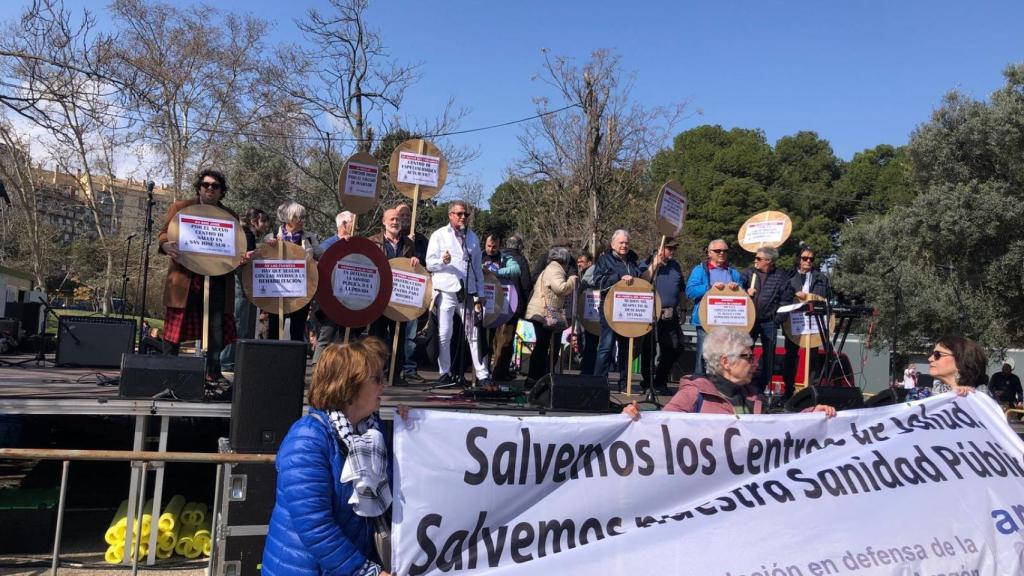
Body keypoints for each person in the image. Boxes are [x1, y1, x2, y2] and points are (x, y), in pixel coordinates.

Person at [262, 337, 404, 576]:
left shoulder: (372, 431)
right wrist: (365, 571)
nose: (384, 385)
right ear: (350, 387)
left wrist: (410, 429)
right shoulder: (306, 440)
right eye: (377, 378)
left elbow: (396, 489)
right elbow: (316, 527)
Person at [623, 327, 836, 417]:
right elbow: (660, 429)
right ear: (725, 361)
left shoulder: (754, 398)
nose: (755, 363)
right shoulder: (693, 394)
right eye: (748, 357)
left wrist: (811, 415)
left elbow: (781, 428)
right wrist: (633, 417)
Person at [157, 168, 245, 382]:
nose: (210, 189)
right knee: (175, 328)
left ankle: (212, 374)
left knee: (216, 329)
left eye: (215, 186)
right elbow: (163, 234)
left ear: (221, 191)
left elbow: (236, 248)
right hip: (185, 280)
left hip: (217, 281)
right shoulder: (181, 208)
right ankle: (168, 373)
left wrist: (240, 257)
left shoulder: (230, 216)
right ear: (199, 187)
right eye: (206, 185)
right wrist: (165, 245)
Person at [425, 201, 491, 386]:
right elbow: (430, 264)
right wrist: (442, 261)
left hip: (467, 290)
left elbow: (477, 267)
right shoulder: (439, 235)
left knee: (473, 333)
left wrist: (480, 292)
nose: (463, 217)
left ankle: (482, 374)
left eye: (466, 215)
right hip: (446, 290)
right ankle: (444, 373)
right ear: (450, 215)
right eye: (459, 214)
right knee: (445, 333)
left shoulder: (472, 237)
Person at [366, 208, 419, 383]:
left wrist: (415, 262)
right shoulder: (373, 242)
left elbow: (415, 270)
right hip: (379, 296)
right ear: (383, 222)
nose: (395, 222)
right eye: (392, 219)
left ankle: (395, 375)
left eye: (397, 219)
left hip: (400, 298)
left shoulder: (409, 244)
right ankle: (375, 373)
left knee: (400, 336)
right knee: (377, 336)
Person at [593, 230, 648, 388]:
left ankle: (625, 383)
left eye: (627, 243)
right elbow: (597, 281)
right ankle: (599, 382)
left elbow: (639, 278)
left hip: (629, 310)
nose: (624, 245)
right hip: (610, 309)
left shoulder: (632, 259)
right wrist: (618, 278)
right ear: (612, 244)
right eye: (621, 243)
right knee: (606, 346)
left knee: (627, 348)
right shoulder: (604, 260)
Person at [221, 207, 270, 372]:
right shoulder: (245, 235)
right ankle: (227, 360)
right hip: (241, 285)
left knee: (242, 323)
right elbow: (237, 258)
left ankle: (236, 359)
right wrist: (244, 258)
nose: (265, 226)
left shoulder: (247, 235)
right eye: (263, 222)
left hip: (245, 286)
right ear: (254, 221)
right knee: (239, 323)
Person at [266, 200, 322, 343]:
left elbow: (322, 257)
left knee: (297, 330)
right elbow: (263, 260)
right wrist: (270, 248)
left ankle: (295, 364)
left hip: (301, 291)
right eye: (299, 217)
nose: (303, 220)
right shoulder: (272, 236)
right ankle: (271, 361)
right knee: (274, 329)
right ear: (288, 218)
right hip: (277, 290)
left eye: (304, 217)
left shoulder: (310, 237)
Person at [685, 239, 743, 376]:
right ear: (709, 253)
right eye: (718, 251)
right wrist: (710, 287)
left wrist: (737, 289)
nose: (722, 253)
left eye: (725, 251)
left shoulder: (734, 273)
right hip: (705, 321)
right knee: (702, 356)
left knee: (724, 357)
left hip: (727, 323)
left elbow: (743, 296)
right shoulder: (699, 270)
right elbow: (690, 291)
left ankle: (720, 388)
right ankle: (699, 385)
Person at [740, 246, 793, 394]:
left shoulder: (782, 277)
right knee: (744, 353)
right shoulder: (749, 273)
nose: (755, 261)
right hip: (749, 320)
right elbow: (736, 290)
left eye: (758, 258)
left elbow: (786, 300)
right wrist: (745, 292)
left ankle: (761, 388)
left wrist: (777, 320)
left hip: (769, 321)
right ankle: (742, 385)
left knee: (769, 355)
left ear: (769, 261)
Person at [781, 246, 830, 398]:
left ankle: (811, 392)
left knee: (813, 357)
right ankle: (788, 390)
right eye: (805, 258)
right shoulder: (789, 276)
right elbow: (782, 295)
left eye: (811, 259)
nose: (808, 261)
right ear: (798, 259)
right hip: (794, 322)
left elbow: (825, 297)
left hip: (814, 323)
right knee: (790, 356)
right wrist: (793, 293)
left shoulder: (821, 278)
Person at [524, 247, 578, 384]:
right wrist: (572, 279)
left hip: (541, 311)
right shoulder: (555, 269)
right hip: (543, 312)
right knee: (542, 346)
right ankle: (535, 377)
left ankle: (537, 377)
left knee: (543, 345)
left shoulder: (550, 268)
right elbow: (561, 288)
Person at [640, 237, 685, 395]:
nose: (672, 251)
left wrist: (683, 309)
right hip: (650, 313)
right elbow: (641, 281)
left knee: (675, 346)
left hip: (670, 314)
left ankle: (660, 380)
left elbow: (681, 290)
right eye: (669, 248)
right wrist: (654, 265)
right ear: (660, 248)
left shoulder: (676, 266)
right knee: (649, 349)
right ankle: (647, 382)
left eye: (674, 248)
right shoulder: (646, 263)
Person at [313, 211, 356, 365]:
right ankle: (317, 369)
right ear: (344, 225)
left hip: (347, 299)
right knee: (326, 336)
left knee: (345, 340)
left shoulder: (354, 244)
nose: (355, 224)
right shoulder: (327, 245)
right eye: (352, 221)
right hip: (330, 300)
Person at [490, 234, 533, 381]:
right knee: (507, 338)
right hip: (513, 305)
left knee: (496, 338)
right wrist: (525, 304)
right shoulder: (520, 260)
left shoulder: (499, 257)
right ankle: (499, 372)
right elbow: (526, 284)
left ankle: (492, 369)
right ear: (520, 246)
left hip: (494, 302)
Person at [395, 203, 428, 382]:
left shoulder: (421, 240)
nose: (405, 218)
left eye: (408, 215)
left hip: (411, 291)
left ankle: (409, 368)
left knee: (410, 333)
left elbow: (425, 262)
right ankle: (389, 369)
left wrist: (414, 247)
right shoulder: (390, 236)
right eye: (402, 215)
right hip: (392, 292)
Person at [927, 336, 992, 397]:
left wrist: (966, 397)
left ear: (961, 361)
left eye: (937, 354)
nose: (930, 359)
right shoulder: (925, 394)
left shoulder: (982, 397)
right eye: (931, 354)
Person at [576, 251, 601, 375]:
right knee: (586, 341)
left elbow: (583, 287)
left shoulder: (592, 269)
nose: (579, 264)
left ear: (590, 263)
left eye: (582, 262)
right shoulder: (583, 273)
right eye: (578, 261)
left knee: (589, 342)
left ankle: (588, 371)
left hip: (593, 310)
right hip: (589, 310)